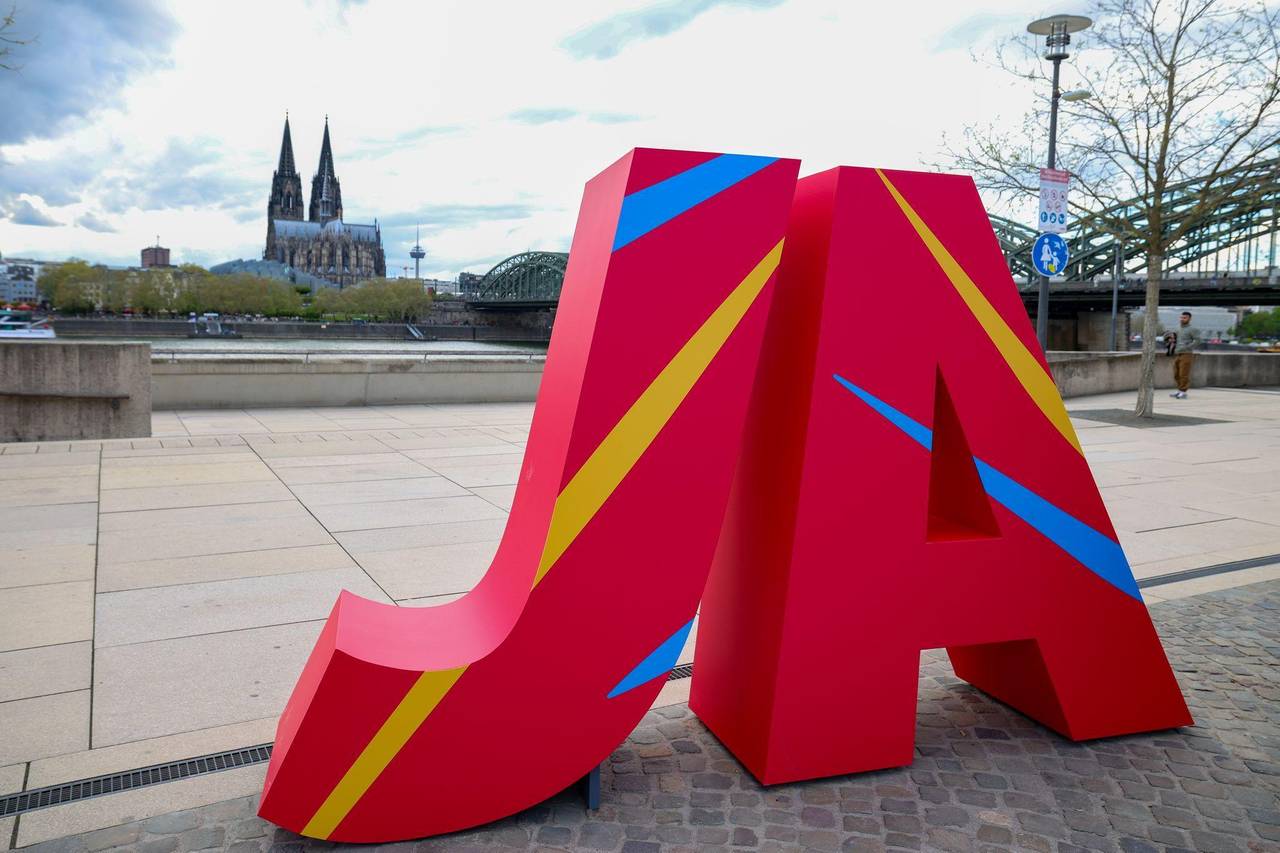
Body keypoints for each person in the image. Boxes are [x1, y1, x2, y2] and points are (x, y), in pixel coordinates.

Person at [1166, 311, 1200, 399]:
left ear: (1189, 319)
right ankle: (1179, 390)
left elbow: (1198, 340)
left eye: (1184, 318)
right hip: (1177, 353)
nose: (1182, 319)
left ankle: (1183, 392)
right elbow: (1174, 338)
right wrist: (1171, 340)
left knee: (1183, 374)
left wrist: (1188, 347)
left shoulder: (1193, 329)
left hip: (1186, 354)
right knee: (1176, 374)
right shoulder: (1177, 328)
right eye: (1181, 317)